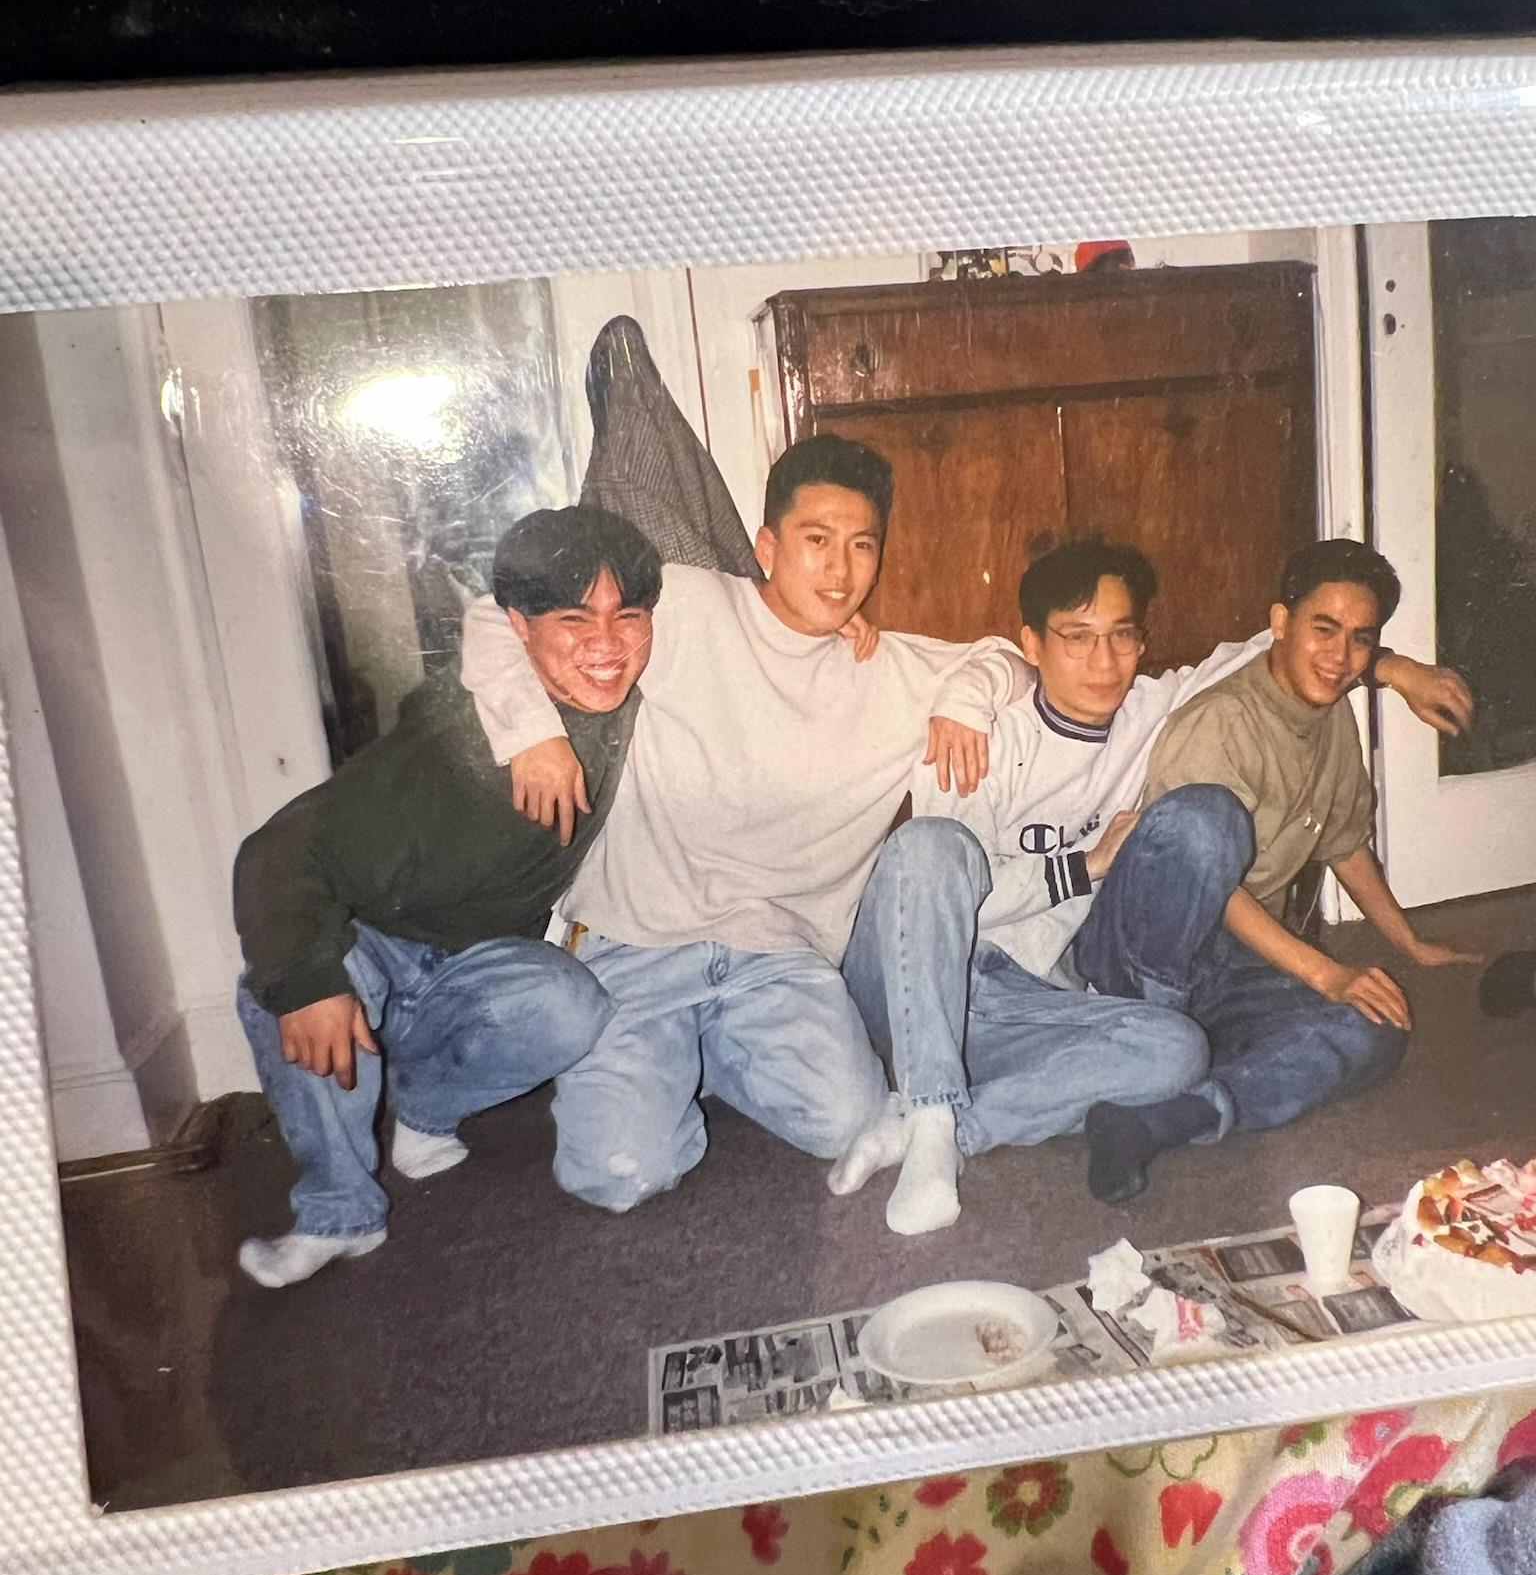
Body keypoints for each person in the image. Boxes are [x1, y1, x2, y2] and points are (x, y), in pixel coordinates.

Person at [460, 432, 1033, 1211]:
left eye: (862, 546)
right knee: (618, 1176)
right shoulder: (689, 604)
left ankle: (708, 1054)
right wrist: (531, 731)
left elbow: (1008, 659)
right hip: (637, 941)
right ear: (768, 546)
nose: (839, 569)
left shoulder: (891, 668)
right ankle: (669, 1058)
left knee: (849, 1122)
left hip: (776, 955)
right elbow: (501, 614)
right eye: (816, 541)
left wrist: (965, 698)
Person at [833, 536, 1468, 1233]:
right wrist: (1087, 864)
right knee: (930, 845)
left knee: (1177, 1048)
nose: (1103, 663)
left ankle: (948, 1129)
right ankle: (930, 1107)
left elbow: (1289, 643)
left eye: (1122, 637)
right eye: (1077, 639)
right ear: (1032, 645)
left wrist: (1398, 669)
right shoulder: (979, 738)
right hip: (921, 986)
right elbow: (949, 905)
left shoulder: (1148, 711)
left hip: (1034, 1002)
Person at [231, 506, 661, 1287]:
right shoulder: (459, 740)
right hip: (377, 939)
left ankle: (423, 1114)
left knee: (572, 1004)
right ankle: (338, 1211)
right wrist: (308, 982)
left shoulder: (630, 701)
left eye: (626, 616)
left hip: (483, 962)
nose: (607, 643)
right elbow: (282, 852)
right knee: (290, 981)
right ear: (522, 631)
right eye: (574, 619)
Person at [1076, 537, 1482, 1203]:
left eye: (1359, 639)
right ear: (1280, 623)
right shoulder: (1221, 721)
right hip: (1145, 951)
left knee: (1377, 1024)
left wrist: (1410, 944)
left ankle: (1164, 1116)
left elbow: (1345, 843)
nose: (1340, 657)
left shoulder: (1333, 718)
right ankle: (1155, 1045)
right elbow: (1218, 885)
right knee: (1204, 819)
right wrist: (1326, 970)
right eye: (1324, 630)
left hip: (1236, 962)